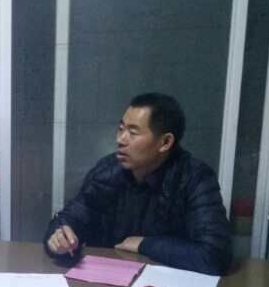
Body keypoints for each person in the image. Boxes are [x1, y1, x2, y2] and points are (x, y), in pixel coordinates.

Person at [46, 92, 231, 275]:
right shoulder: (108, 170)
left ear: (165, 142)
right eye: (121, 129)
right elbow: (69, 219)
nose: (120, 139)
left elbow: (215, 255)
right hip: (108, 280)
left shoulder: (194, 178)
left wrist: (145, 244)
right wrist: (58, 238)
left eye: (133, 133)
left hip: (167, 283)